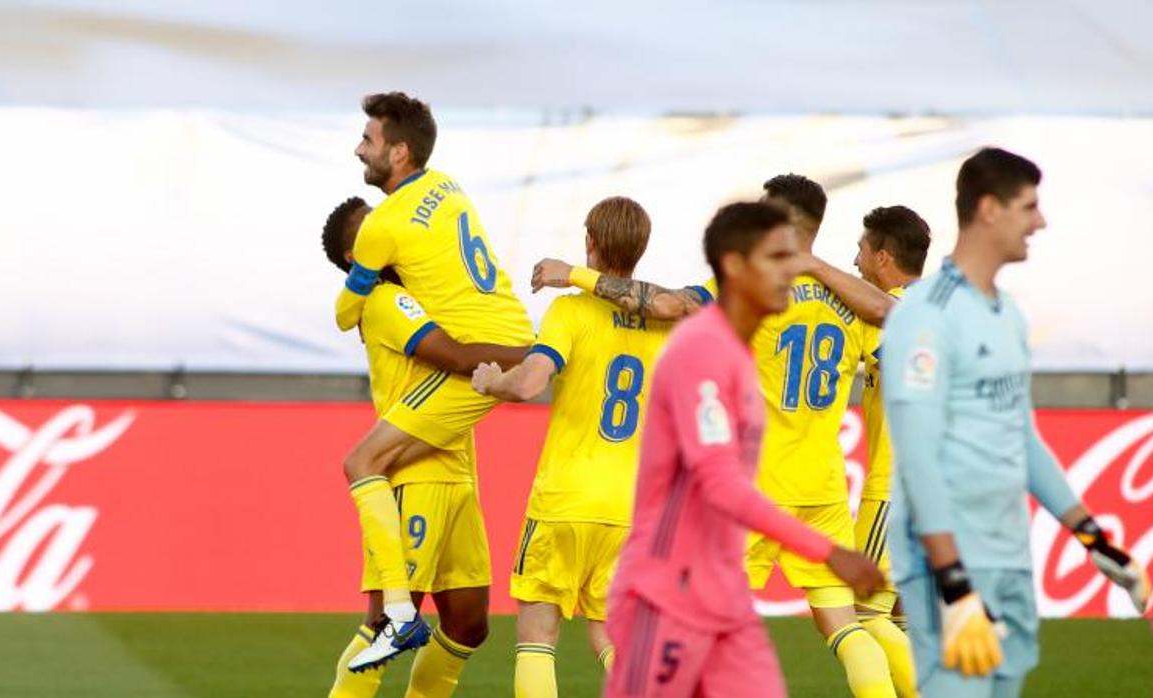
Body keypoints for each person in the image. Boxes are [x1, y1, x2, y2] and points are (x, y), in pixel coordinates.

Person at [881, 147, 1148, 697]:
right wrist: (953, 582)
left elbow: (1021, 438)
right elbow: (918, 457)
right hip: (951, 568)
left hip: (1008, 558)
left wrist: (1092, 537)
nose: (1041, 221)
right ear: (989, 210)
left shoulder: (1007, 314)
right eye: (1029, 207)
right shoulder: (926, 314)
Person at [602, 200, 885, 698]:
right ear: (735, 267)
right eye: (777, 260)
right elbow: (719, 481)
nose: (793, 274)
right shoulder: (702, 351)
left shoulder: (741, 352)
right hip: (671, 589)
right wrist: (829, 552)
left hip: (722, 589)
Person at [333, 93, 536, 671]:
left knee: (358, 465)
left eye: (368, 140)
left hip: (458, 426)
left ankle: (401, 615)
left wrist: (526, 359)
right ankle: (397, 615)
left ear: (399, 152)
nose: (359, 149)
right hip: (445, 440)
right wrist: (530, 354)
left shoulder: (385, 231)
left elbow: (346, 312)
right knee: (466, 625)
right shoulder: (448, 186)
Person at [470, 197, 671, 697]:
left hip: (565, 499)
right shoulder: (667, 322)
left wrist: (492, 381)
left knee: (539, 636)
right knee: (609, 631)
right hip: (629, 506)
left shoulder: (571, 311)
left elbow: (527, 384)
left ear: (591, 243)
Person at [850, 205, 933, 696]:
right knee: (900, 617)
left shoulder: (891, 317)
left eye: (861, 251)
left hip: (895, 487)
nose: (856, 262)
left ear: (883, 257)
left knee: (861, 617)